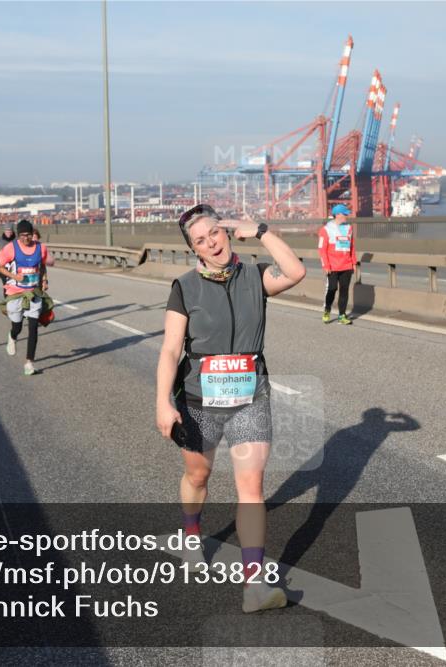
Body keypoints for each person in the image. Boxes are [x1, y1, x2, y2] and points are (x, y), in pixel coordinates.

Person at [155, 204, 305, 613]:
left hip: (250, 396)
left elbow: (295, 271)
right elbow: (170, 349)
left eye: (214, 234)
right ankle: (191, 534)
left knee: (251, 488)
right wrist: (162, 403)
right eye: (200, 241)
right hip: (198, 400)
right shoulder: (184, 288)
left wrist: (261, 230)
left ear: (225, 232)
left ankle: (253, 585)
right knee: (197, 475)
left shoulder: (254, 277)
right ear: (194, 250)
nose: (211, 244)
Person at [0, 219, 49, 376]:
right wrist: (14, 276)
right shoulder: (10, 248)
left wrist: (45, 280)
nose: (26, 238)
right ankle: (12, 337)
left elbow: (43, 265)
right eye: (22, 236)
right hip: (15, 292)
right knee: (17, 326)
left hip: (33, 292)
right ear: (18, 235)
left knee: (33, 328)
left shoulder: (41, 248)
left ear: (33, 234)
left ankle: (29, 363)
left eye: (28, 235)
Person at [317, 204, 356, 325]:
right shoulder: (325, 229)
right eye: (345, 214)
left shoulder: (349, 228)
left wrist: (354, 262)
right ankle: (327, 310)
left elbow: (352, 247)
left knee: (344, 291)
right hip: (332, 266)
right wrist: (326, 265)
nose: (346, 216)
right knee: (332, 289)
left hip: (347, 265)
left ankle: (342, 315)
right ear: (338, 214)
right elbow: (321, 249)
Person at [0, 223, 15, 295]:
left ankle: (13, 297)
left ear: (12, 231)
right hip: (2, 265)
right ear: (4, 231)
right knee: (5, 282)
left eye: (10, 231)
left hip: (13, 264)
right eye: (7, 230)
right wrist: (5, 254)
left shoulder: (16, 239)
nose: (8, 232)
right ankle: (7, 298)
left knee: (13, 282)